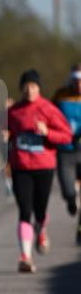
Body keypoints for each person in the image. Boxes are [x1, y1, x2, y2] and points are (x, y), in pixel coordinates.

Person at [7, 70, 72, 271]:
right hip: (21, 168)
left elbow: (66, 136)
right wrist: (4, 135)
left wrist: (48, 132)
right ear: (21, 88)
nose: (29, 90)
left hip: (44, 167)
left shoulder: (49, 109)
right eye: (26, 86)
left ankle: (41, 228)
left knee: (40, 210)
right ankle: (25, 257)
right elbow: (5, 132)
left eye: (33, 86)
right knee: (25, 211)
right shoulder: (13, 111)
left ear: (39, 88)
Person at [53, 63, 81, 244]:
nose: (79, 85)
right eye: (76, 81)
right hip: (65, 150)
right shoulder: (61, 95)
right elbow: (48, 115)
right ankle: (71, 200)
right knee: (68, 191)